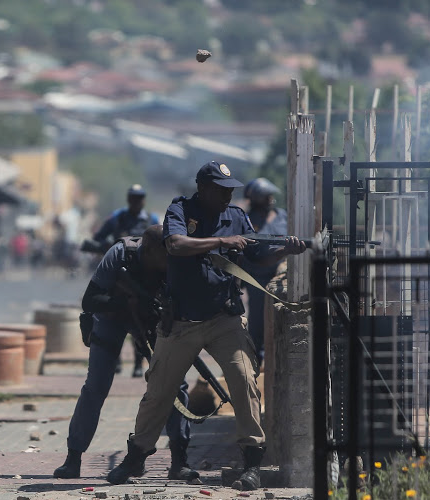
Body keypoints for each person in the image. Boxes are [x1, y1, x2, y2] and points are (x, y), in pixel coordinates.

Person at [106, 161, 306, 491]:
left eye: (231, 189)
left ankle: (252, 463)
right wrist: (219, 242)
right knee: (158, 392)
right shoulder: (181, 210)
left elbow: (255, 259)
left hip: (224, 317)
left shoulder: (237, 218)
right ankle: (136, 455)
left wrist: (288, 249)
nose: (229, 194)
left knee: (244, 382)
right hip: (182, 320)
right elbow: (176, 245)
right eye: (221, 189)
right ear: (203, 188)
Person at [53, 225, 197, 482]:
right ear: (150, 249)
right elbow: (90, 300)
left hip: (151, 322)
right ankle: (73, 458)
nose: (169, 258)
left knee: (176, 385)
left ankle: (179, 461)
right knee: (95, 386)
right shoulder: (120, 255)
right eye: (163, 253)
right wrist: (126, 303)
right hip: (111, 319)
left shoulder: (175, 261)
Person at [92, 184, 160, 377]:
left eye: (140, 197)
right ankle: (116, 361)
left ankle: (139, 363)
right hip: (118, 276)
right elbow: (99, 238)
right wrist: (110, 248)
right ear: (128, 199)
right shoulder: (117, 217)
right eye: (133, 197)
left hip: (141, 276)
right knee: (113, 316)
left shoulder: (151, 219)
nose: (137, 201)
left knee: (141, 322)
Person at [241, 178, 288, 363]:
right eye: (266, 197)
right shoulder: (248, 220)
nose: (270, 200)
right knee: (258, 320)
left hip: (280, 275)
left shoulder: (282, 215)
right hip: (257, 277)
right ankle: (256, 358)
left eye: (270, 196)